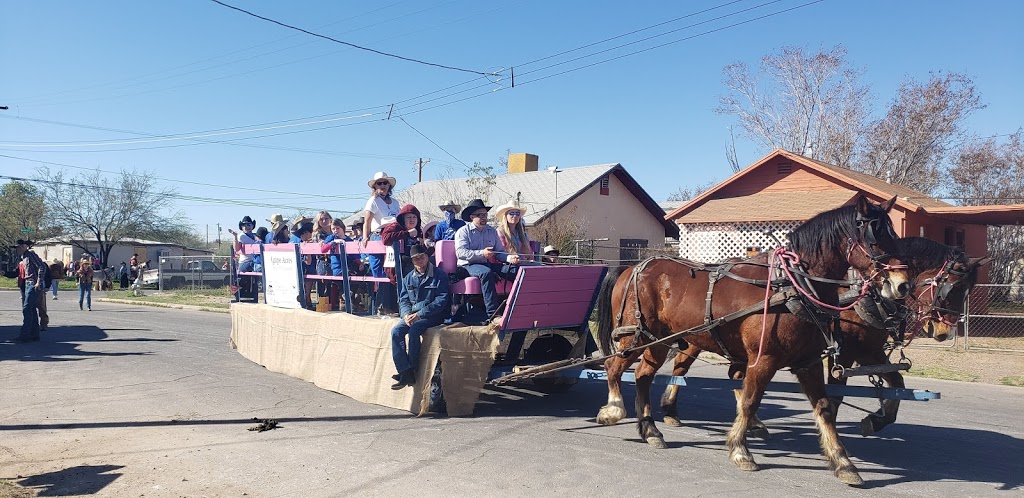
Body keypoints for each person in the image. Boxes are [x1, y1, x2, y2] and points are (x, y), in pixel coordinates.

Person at [390, 244, 450, 390]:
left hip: (433, 315)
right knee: (395, 332)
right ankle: (405, 370)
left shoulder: (439, 275)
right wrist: (405, 315)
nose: (419, 260)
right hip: (412, 315)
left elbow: (441, 301)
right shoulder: (408, 278)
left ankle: (413, 369)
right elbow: (403, 300)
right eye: (415, 259)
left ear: (427, 257)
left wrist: (419, 314)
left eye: (421, 257)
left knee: (414, 330)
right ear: (412, 261)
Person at [454, 199, 517, 320]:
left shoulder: (492, 231)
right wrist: (481, 253)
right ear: (472, 217)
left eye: (485, 215)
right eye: (481, 215)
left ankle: (517, 308)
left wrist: (509, 258)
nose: (484, 218)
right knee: (486, 273)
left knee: (515, 271)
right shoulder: (462, 232)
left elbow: (499, 253)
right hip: (467, 265)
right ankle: (493, 314)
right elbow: (460, 253)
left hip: (485, 263)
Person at [362, 172, 402, 314]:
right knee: (379, 272)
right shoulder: (373, 201)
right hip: (378, 236)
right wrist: (365, 237)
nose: (383, 186)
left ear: (389, 185)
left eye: (385, 183)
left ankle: (391, 305)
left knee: (392, 271)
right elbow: (367, 220)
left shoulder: (395, 202)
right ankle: (381, 305)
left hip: (393, 237)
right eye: (380, 183)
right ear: (375, 186)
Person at [13, 239, 47, 342]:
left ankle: (25, 335)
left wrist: (38, 281)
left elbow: (42, 266)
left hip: (32, 283)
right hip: (28, 282)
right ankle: (34, 334)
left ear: (24, 246)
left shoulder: (31, 255)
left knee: (27, 308)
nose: (18, 249)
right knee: (31, 309)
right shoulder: (23, 257)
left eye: (19, 247)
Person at [494, 200, 536, 265]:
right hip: (508, 265)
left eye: (517, 213)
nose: (515, 216)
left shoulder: (523, 234)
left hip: (524, 264)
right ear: (506, 215)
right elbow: (501, 252)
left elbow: (530, 254)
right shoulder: (500, 232)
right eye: (512, 213)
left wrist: (531, 261)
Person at [290, 221, 316, 309]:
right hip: (304, 269)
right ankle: (305, 297)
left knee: (309, 274)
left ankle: (307, 297)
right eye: (302, 234)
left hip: (314, 268)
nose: (304, 236)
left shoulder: (315, 242)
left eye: (306, 232)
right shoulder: (299, 245)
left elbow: (309, 261)